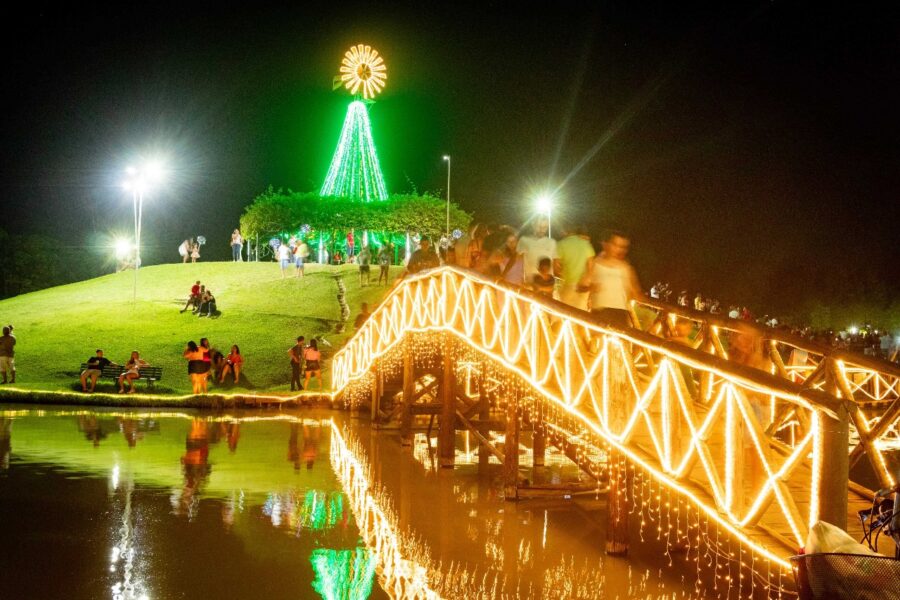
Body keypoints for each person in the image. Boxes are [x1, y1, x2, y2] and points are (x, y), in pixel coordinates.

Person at [577, 230, 643, 329]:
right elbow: (580, 287)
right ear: (607, 245)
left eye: (623, 247)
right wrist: (592, 287)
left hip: (620, 316)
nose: (619, 250)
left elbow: (637, 294)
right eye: (616, 245)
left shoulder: (626, 268)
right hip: (599, 315)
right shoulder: (596, 264)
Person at [557, 225, 595, 310]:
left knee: (565, 313)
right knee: (581, 314)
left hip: (568, 284)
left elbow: (556, 268)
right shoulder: (586, 244)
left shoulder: (561, 244)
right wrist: (586, 280)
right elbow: (591, 266)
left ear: (564, 231)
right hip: (583, 286)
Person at [517, 216, 559, 284]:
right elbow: (516, 261)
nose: (542, 229)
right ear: (533, 225)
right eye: (539, 226)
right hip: (530, 282)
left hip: (547, 283)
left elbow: (555, 264)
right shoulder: (524, 240)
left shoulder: (552, 242)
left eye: (545, 227)